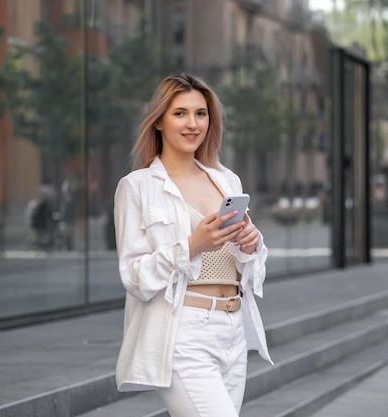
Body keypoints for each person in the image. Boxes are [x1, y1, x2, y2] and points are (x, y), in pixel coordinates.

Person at [113, 72, 272, 417]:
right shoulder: (137, 186)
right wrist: (192, 245)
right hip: (183, 331)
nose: (192, 124)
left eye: (201, 113)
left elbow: (243, 265)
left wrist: (250, 244)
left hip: (232, 330)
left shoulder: (226, 180)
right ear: (158, 121)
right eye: (180, 113)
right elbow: (134, 276)